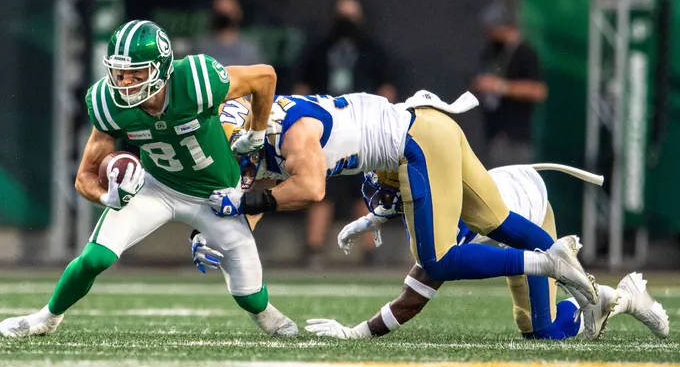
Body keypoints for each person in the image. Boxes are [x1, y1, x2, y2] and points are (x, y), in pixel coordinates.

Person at [0, 20, 297, 338]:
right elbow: (85, 175)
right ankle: (46, 318)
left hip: (217, 193)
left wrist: (256, 132)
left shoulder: (195, 80)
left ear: (162, 68)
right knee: (95, 258)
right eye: (119, 73)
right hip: (158, 187)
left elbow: (265, 76)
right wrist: (105, 198)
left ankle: (266, 313)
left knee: (249, 296)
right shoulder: (108, 102)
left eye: (137, 73)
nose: (126, 82)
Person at [209, 91, 599, 307]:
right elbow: (248, 197)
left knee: (438, 260)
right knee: (496, 221)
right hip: (427, 126)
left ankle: (550, 263)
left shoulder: (294, 134)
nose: (240, 160)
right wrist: (211, 239)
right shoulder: (268, 137)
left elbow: (310, 190)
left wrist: (246, 205)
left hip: (416, 141)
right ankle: (597, 293)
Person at [308, 164, 669, 341]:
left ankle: (621, 297)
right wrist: (370, 220)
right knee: (528, 323)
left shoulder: (446, 221)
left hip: (529, 214)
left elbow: (411, 300)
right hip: (504, 201)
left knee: (542, 331)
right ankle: (598, 302)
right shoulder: (425, 184)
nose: (384, 202)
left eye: (389, 195)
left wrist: (356, 333)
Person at [293, 0, 398, 267]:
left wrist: (383, 123)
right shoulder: (319, 50)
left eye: (351, 15)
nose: (346, 22)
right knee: (321, 190)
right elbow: (302, 90)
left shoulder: (373, 51)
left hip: (362, 130)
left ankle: (369, 252)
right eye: (342, 15)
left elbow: (386, 91)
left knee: (364, 190)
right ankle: (314, 250)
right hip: (325, 130)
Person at [471, 4, 548, 168]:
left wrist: (501, 87)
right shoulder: (491, 52)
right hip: (494, 132)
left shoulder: (525, 53)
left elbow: (538, 91)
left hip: (516, 136)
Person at [194, 0, 265, 66]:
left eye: (229, 13)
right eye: (220, 13)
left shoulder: (249, 50)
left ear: (238, 14)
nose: (225, 18)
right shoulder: (200, 48)